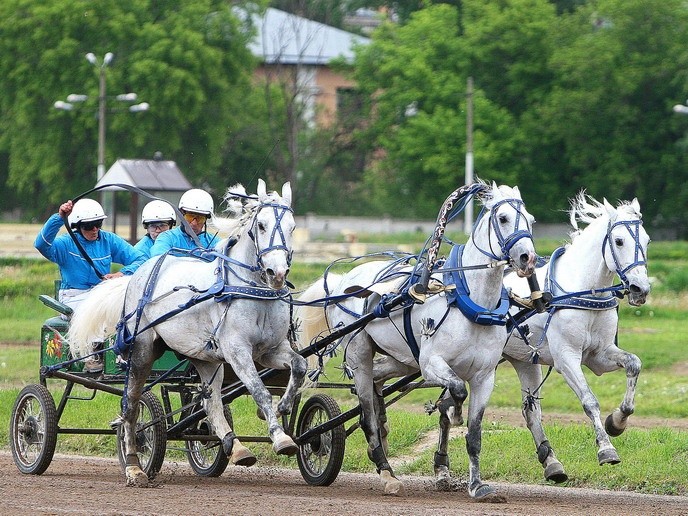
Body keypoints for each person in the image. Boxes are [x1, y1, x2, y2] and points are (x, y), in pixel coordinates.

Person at [35, 198, 146, 372]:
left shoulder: (108, 240)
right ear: (77, 226)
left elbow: (140, 259)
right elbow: (41, 244)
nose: (95, 229)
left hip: (100, 293)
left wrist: (121, 274)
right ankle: (92, 356)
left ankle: (124, 353)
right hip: (72, 296)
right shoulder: (65, 244)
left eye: (98, 223)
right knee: (97, 312)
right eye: (89, 226)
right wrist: (59, 217)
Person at [150, 188, 218, 256]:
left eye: (200, 218)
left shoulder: (215, 243)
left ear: (206, 219)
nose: (194, 223)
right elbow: (158, 259)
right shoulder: (166, 238)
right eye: (190, 217)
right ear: (182, 215)